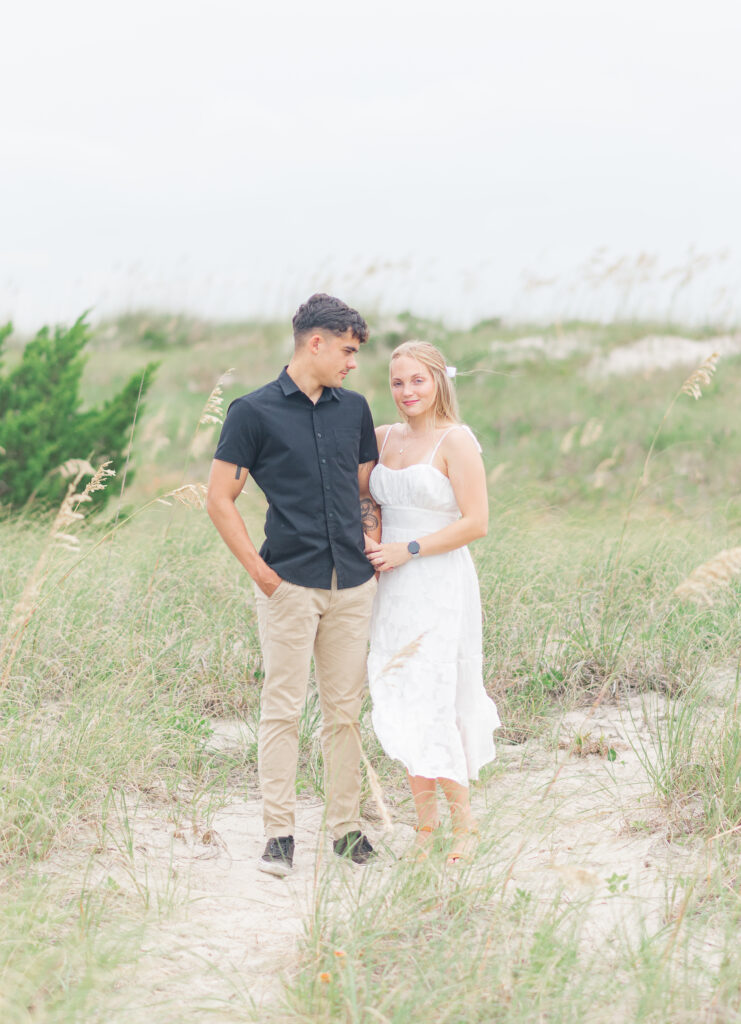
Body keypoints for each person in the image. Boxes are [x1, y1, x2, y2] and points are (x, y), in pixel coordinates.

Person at [207, 294, 382, 876]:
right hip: (289, 584)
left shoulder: (353, 409)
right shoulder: (251, 412)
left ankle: (347, 831)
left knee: (346, 713)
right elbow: (219, 500)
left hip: (353, 586)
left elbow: (363, 492)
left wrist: (371, 546)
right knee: (282, 709)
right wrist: (263, 577)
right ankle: (278, 834)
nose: (352, 363)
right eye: (348, 351)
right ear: (317, 342)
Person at [365, 341, 501, 863]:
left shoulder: (456, 440)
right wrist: (374, 543)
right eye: (398, 382)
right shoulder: (380, 438)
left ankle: (464, 825)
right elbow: (365, 499)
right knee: (400, 692)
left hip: (437, 576)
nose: (407, 392)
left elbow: (476, 522)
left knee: (437, 690)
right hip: (390, 584)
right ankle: (425, 825)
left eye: (417, 381)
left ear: (439, 380)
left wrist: (410, 549)